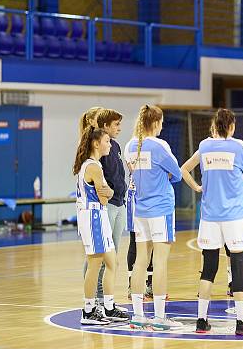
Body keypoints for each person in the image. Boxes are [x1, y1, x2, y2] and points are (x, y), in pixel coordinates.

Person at [181, 108, 243, 336]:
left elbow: (184, 169)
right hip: (234, 216)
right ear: (232, 126)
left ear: (215, 125)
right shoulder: (238, 146)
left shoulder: (204, 146)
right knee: (237, 267)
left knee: (208, 268)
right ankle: (241, 321)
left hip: (209, 217)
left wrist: (197, 187)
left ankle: (201, 320)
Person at [124, 105, 183, 330]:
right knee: (159, 262)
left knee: (140, 261)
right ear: (157, 122)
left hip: (140, 210)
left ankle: (138, 315)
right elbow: (176, 173)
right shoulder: (160, 146)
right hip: (161, 209)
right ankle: (159, 318)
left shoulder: (130, 145)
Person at [73, 127, 129, 325]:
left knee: (113, 263)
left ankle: (109, 306)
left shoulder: (94, 165)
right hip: (93, 217)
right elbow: (105, 198)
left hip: (99, 216)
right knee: (95, 264)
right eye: (106, 141)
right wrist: (108, 192)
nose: (110, 144)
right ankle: (88, 311)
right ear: (96, 143)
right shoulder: (94, 167)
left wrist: (108, 192)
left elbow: (108, 193)